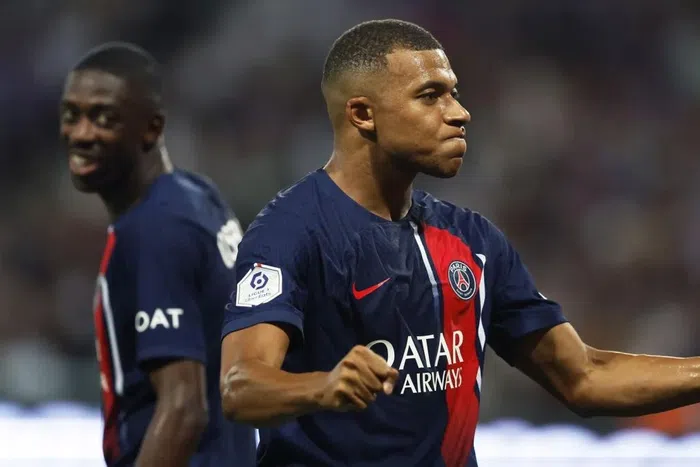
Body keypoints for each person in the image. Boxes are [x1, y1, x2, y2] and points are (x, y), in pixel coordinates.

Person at [219, 19, 700, 467]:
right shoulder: (290, 232)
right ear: (363, 114)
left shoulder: (472, 240)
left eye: (454, 93)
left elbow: (585, 377)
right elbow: (240, 387)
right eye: (430, 96)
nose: (460, 113)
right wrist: (321, 387)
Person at [60, 42, 256, 467]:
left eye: (104, 118)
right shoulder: (196, 194)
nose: (81, 134)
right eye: (71, 114)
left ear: (151, 128)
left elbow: (183, 409)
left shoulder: (154, 229)